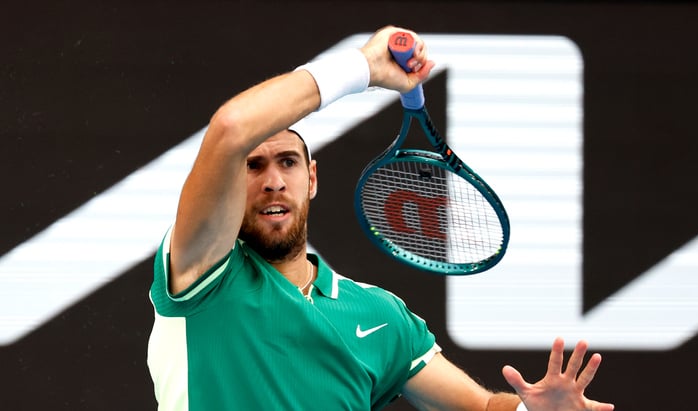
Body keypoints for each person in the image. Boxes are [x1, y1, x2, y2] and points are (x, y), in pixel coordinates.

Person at [147, 26, 614, 411]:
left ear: (312, 178)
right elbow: (231, 128)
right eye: (253, 166)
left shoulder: (379, 315)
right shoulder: (200, 272)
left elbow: (480, 406)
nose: (273, 181)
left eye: (287, 162)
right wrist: (364, 68)